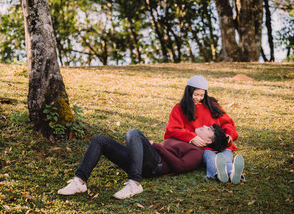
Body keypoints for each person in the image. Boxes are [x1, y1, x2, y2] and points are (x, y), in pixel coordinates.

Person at [57, 124, 228, 199]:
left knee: (134, 133)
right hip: (144, 159)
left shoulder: (197, 152)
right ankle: (80, 181)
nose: (205, 126)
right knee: (100, 140)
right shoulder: (189, 140)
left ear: (207, 142)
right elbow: (171, 130)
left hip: (155, 165)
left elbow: (180, 166)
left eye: (208, 129)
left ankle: (135, 184)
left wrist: (158, 147)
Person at [164, 75, 245, 184]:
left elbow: (227, 122)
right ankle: (218, 174)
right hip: (203, 147)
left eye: (202, 95)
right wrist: (191, 137)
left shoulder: (211, 105)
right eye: (196, 94)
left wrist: (229, 134)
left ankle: (233, 173)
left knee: (227, 156)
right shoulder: (179, 109)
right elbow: (172, 129)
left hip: (220, 143)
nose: (199, 98)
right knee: (210, 158)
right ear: (189, 92)